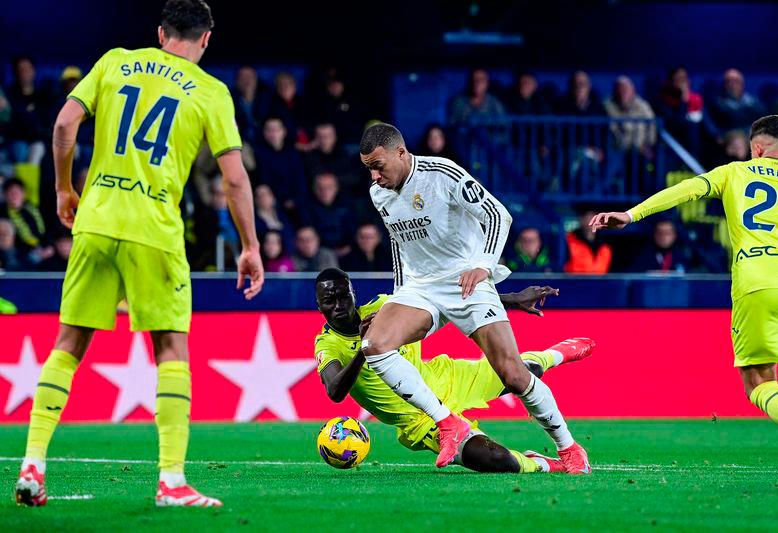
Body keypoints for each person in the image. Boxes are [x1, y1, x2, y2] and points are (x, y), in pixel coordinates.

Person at [14, 0, 264, 508]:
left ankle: (32, 464)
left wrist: (64, 190)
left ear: (160, 32)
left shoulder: (114, 61)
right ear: (206, 39)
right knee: (170, 348)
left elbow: (64, 126)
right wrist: (250, 246)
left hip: (96, 221)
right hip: (154, 228)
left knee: (68, 343)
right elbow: (234, 178)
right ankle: (171, 481)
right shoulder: (212, 92)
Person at [358, 123, 590, 472]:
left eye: (378, 165)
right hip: (420, 287)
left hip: (466, 279)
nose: (375, 176)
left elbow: (498, 214)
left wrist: (483, 265)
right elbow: (400, 245)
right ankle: (448, 422)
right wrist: (398, 298)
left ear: (401, 153)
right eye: (368, 168)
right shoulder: (379, 194)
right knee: (373, 345)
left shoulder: (442, 173)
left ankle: (569, 448)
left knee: (512, 374)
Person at [590, 115, 778, 472]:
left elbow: (685, 190)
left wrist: (631, 214)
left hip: (759, 280)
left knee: (759, 381)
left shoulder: (734, 172)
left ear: (756, 149)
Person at [315, 268, 595, 473]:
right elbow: (335, 391)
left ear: (353, 294)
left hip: (443, 378)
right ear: (319, 306)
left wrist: (511, 298)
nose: (338, 305)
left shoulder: (383, 307)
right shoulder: (327, 344)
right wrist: (366, 348)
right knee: (495, 460)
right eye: (329, 301)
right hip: (419, 421)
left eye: (343, 296)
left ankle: (555, 354)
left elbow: (447, 299)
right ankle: (542, 464)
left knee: (519, 374)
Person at [709, 69, 766, 134]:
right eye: (728, 81)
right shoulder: (717, 104)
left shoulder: (754, 102)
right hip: (730, 136)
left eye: (736, 81)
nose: (732, 85)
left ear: (742, 84)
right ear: (723, 85)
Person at [564, 209, 612, 274]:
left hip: (598, 284)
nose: (591, 219)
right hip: (573, 283)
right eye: (587, 215)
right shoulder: (568, 241)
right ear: (581, 218)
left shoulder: (605, 247)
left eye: (593, 215)